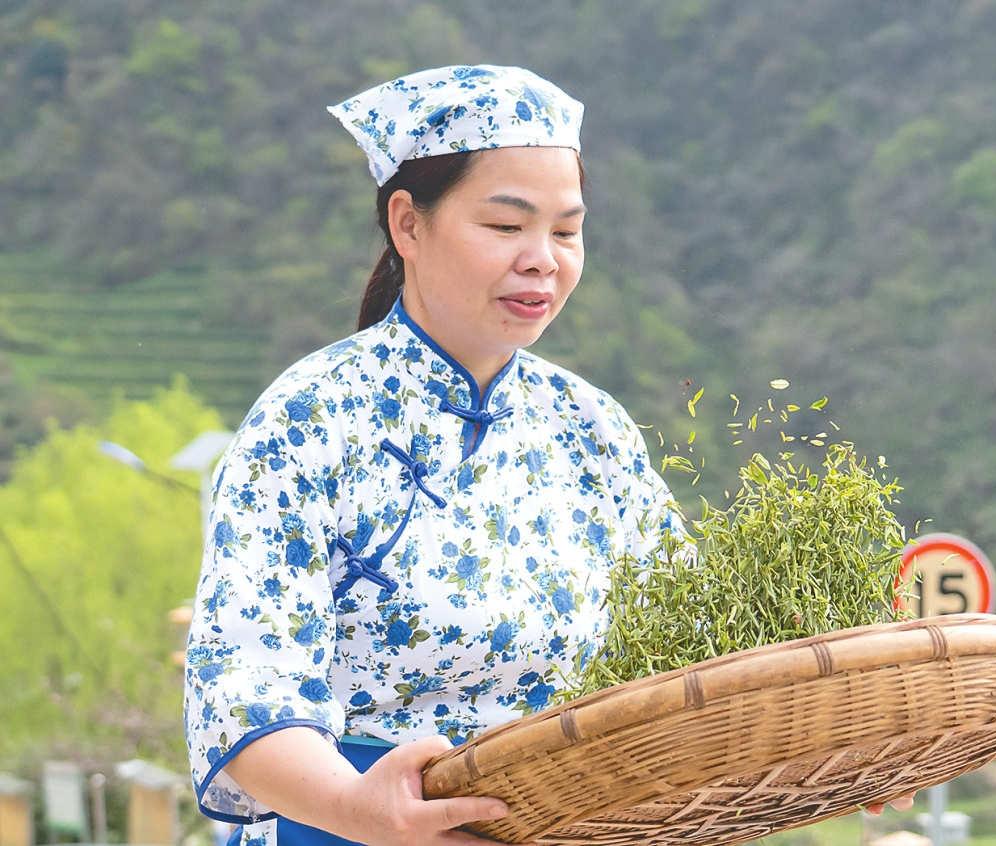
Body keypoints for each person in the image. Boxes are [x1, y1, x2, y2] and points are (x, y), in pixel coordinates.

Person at [184, 64, 911, 846]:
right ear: (408, 225)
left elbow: (696, 647)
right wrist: (362, 808)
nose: (542, 258)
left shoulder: (590, 428)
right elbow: (244, 687)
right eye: (506, 226)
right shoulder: (308, 418)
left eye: (566, 231)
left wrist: (834, 731)